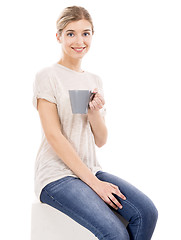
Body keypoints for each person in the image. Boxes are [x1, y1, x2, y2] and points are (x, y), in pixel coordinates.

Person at [32, 5, 158, 240]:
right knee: (115, 233)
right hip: (57, 176)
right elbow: (54, 136)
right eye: (71, 33)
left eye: (86, 33)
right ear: (58, 36)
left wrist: (94, 113)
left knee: (147, 213)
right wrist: (95, 185)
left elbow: (100, 140)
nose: (79, 40)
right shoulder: (48, 76)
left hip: (90, 169)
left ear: (92, 36)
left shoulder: (93, 80)